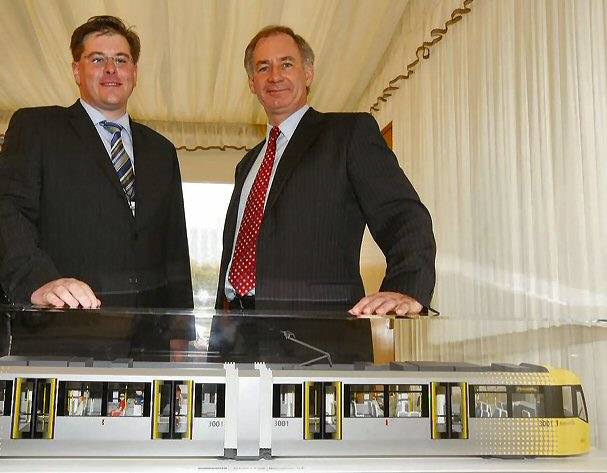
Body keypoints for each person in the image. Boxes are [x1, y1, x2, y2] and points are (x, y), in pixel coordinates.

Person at [215, 25, 436, 317]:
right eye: (263, 67)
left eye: (287, 64)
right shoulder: (247, 164)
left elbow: (403, 215)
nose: (275, 76)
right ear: (252, 83)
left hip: (320, 334)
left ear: (308, 73)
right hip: (235, 331)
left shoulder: (349, 134)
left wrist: (406, 287)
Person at [0, 16, 193, 309]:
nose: (111, 69)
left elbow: (175, 246)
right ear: (77, 70)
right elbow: (9, 211)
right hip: (66, 320)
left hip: (150, 329)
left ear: (135, 72)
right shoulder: (37, 128)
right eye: (97, 59)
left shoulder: (162, 150)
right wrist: (38, 281)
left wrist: (181, 329)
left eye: (121, 59)